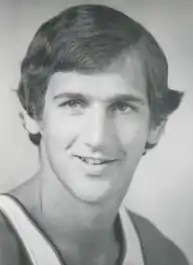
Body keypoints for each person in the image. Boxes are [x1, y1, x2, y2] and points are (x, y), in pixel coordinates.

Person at [0, 4, 189, 265]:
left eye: (123, 107)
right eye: (73, 104)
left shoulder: (162, 255)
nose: (98, 138)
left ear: (156, 126)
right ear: (32, 115)